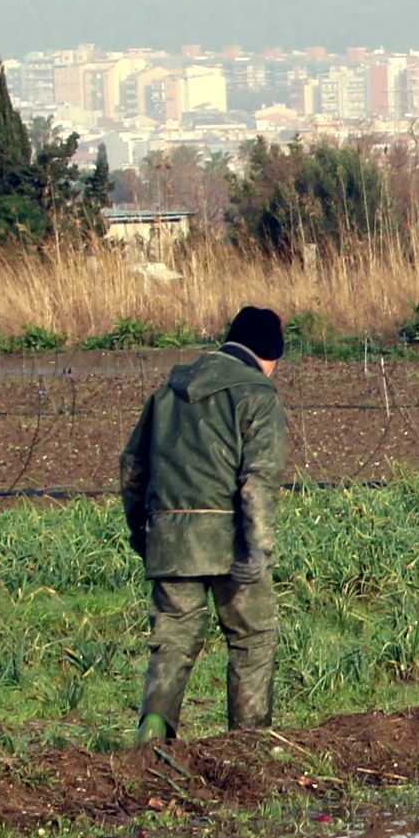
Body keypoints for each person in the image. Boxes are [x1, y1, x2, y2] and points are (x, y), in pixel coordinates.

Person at [122, 305, 291, 742]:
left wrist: (143, 534)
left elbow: (133, 469)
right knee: (252, 639)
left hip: (169, 536)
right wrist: (257, 549)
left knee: (173, 641)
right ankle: (248, 746)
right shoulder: (257, 395)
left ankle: (152, 737)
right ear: (267, 354)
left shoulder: (168, 393)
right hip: (229, 540)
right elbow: (258, 481)